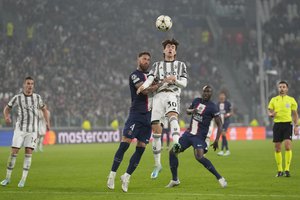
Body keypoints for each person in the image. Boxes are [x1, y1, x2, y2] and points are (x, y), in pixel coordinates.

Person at [107, 52, 159, 192]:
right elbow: (144, 91)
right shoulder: (134, 75)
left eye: (148, 59)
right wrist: (159, 85)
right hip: (136, 114)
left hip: (149, 117)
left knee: (141, 148)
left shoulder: (152, 76)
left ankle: (126, 176)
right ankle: (112, 175)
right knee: (125, 145)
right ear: (138, 60)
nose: (146, 61)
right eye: (144, 59)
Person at [137, 38, 188, 179]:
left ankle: (177, 144)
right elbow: (150, 78)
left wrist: (174, 80)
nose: (170, 49)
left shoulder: (181, 65)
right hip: (158, 96)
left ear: (175, 51)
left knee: (173, 115)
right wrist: (143, 86)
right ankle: (158, 165)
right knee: (156, 130)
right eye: (168, 47)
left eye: (172, 47)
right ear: (164, 50)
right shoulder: (157, 65)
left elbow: (184, 83)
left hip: (172, 94)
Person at [166, 85, 227, 188]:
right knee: (172, 152)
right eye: (205, 91)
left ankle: (220, 178)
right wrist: (192, 110)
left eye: (209, 92)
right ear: (202, 92)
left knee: (199, 157)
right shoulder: (196, 101)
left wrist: (216, 140)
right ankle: (175, 180)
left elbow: (220, 124)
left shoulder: (213, 107)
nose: (206, 93)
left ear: (211, 94)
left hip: (199, 137)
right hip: (188, 135)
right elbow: (187, 111)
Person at [1, 76, 50, 187]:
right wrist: (6, 116)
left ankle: (23, 180)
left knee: (28, 153)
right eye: (28, 83)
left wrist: (47, 123)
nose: (30, 85)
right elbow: (7, 108)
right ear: (24, 85)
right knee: (14, 152)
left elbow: (44, 110)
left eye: (32, 84)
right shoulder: (17, 97)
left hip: (32, 131)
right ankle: (7, 178)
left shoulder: (37, 97)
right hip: (20, 130)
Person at [267, 81, 299, 177]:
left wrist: (296, 126)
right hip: (277, 125)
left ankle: (287, 170)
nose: (282, 88)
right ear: (278, 88)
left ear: (287, 89)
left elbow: (294, 114)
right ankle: (280, 170)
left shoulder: (291, 100)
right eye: (280, 87)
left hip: (287, 124)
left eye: (283, 87)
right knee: (277, 148)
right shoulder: (274, 99)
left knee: (288, 146)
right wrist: (271, 114)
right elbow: (269, 111)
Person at [216, 92, 232, 156]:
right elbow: (216, 113)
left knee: (223, 134)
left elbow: (231, 112)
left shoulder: (228, 103)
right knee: (223, 135)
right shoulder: (217, 104)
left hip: (226, 121)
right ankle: (224, 150)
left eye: (223, 95)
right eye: (221, 95)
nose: (222, 96)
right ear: (219, 96)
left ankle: (226, 150)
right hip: (220, 122)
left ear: (225, 96)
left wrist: (227, 114)